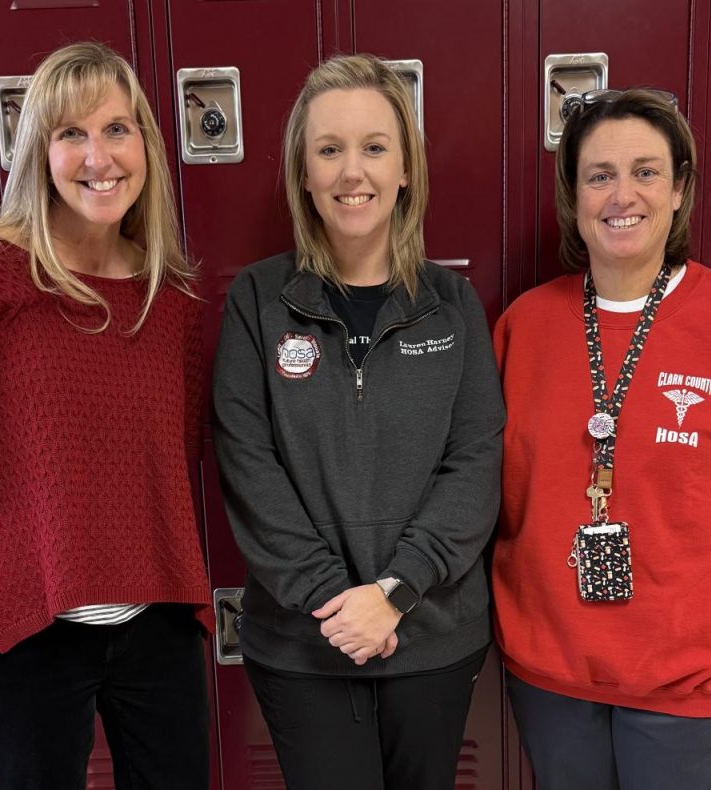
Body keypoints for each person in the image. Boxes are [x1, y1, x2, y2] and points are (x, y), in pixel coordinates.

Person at [0, 41, 211, 789]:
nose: (99, 156)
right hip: (21, 629)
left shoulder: (173, 299)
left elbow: (167, 466)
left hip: (156, 619)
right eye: (71, 133)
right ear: (39, 150)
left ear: (147, 147)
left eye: (117, 129)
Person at [492, 89, 711, 789]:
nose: (623, 194)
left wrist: (707, 599)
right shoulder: (524, 325)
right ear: (573, 196)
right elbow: (493, 486)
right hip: (555, 676)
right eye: (599, 174)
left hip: (697, 681)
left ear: (679, 190)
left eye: (646, 172)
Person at [212, 54, 505, 790]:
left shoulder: (453, 305)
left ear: (405, 169)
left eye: (375, 148)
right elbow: (247, 463)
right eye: (330, 150)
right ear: (303, 174)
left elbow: (474, 463)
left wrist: (397, 590)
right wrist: (336, 604)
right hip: (303, 643)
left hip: (432, 634)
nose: (353, 173)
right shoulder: (259, 300)